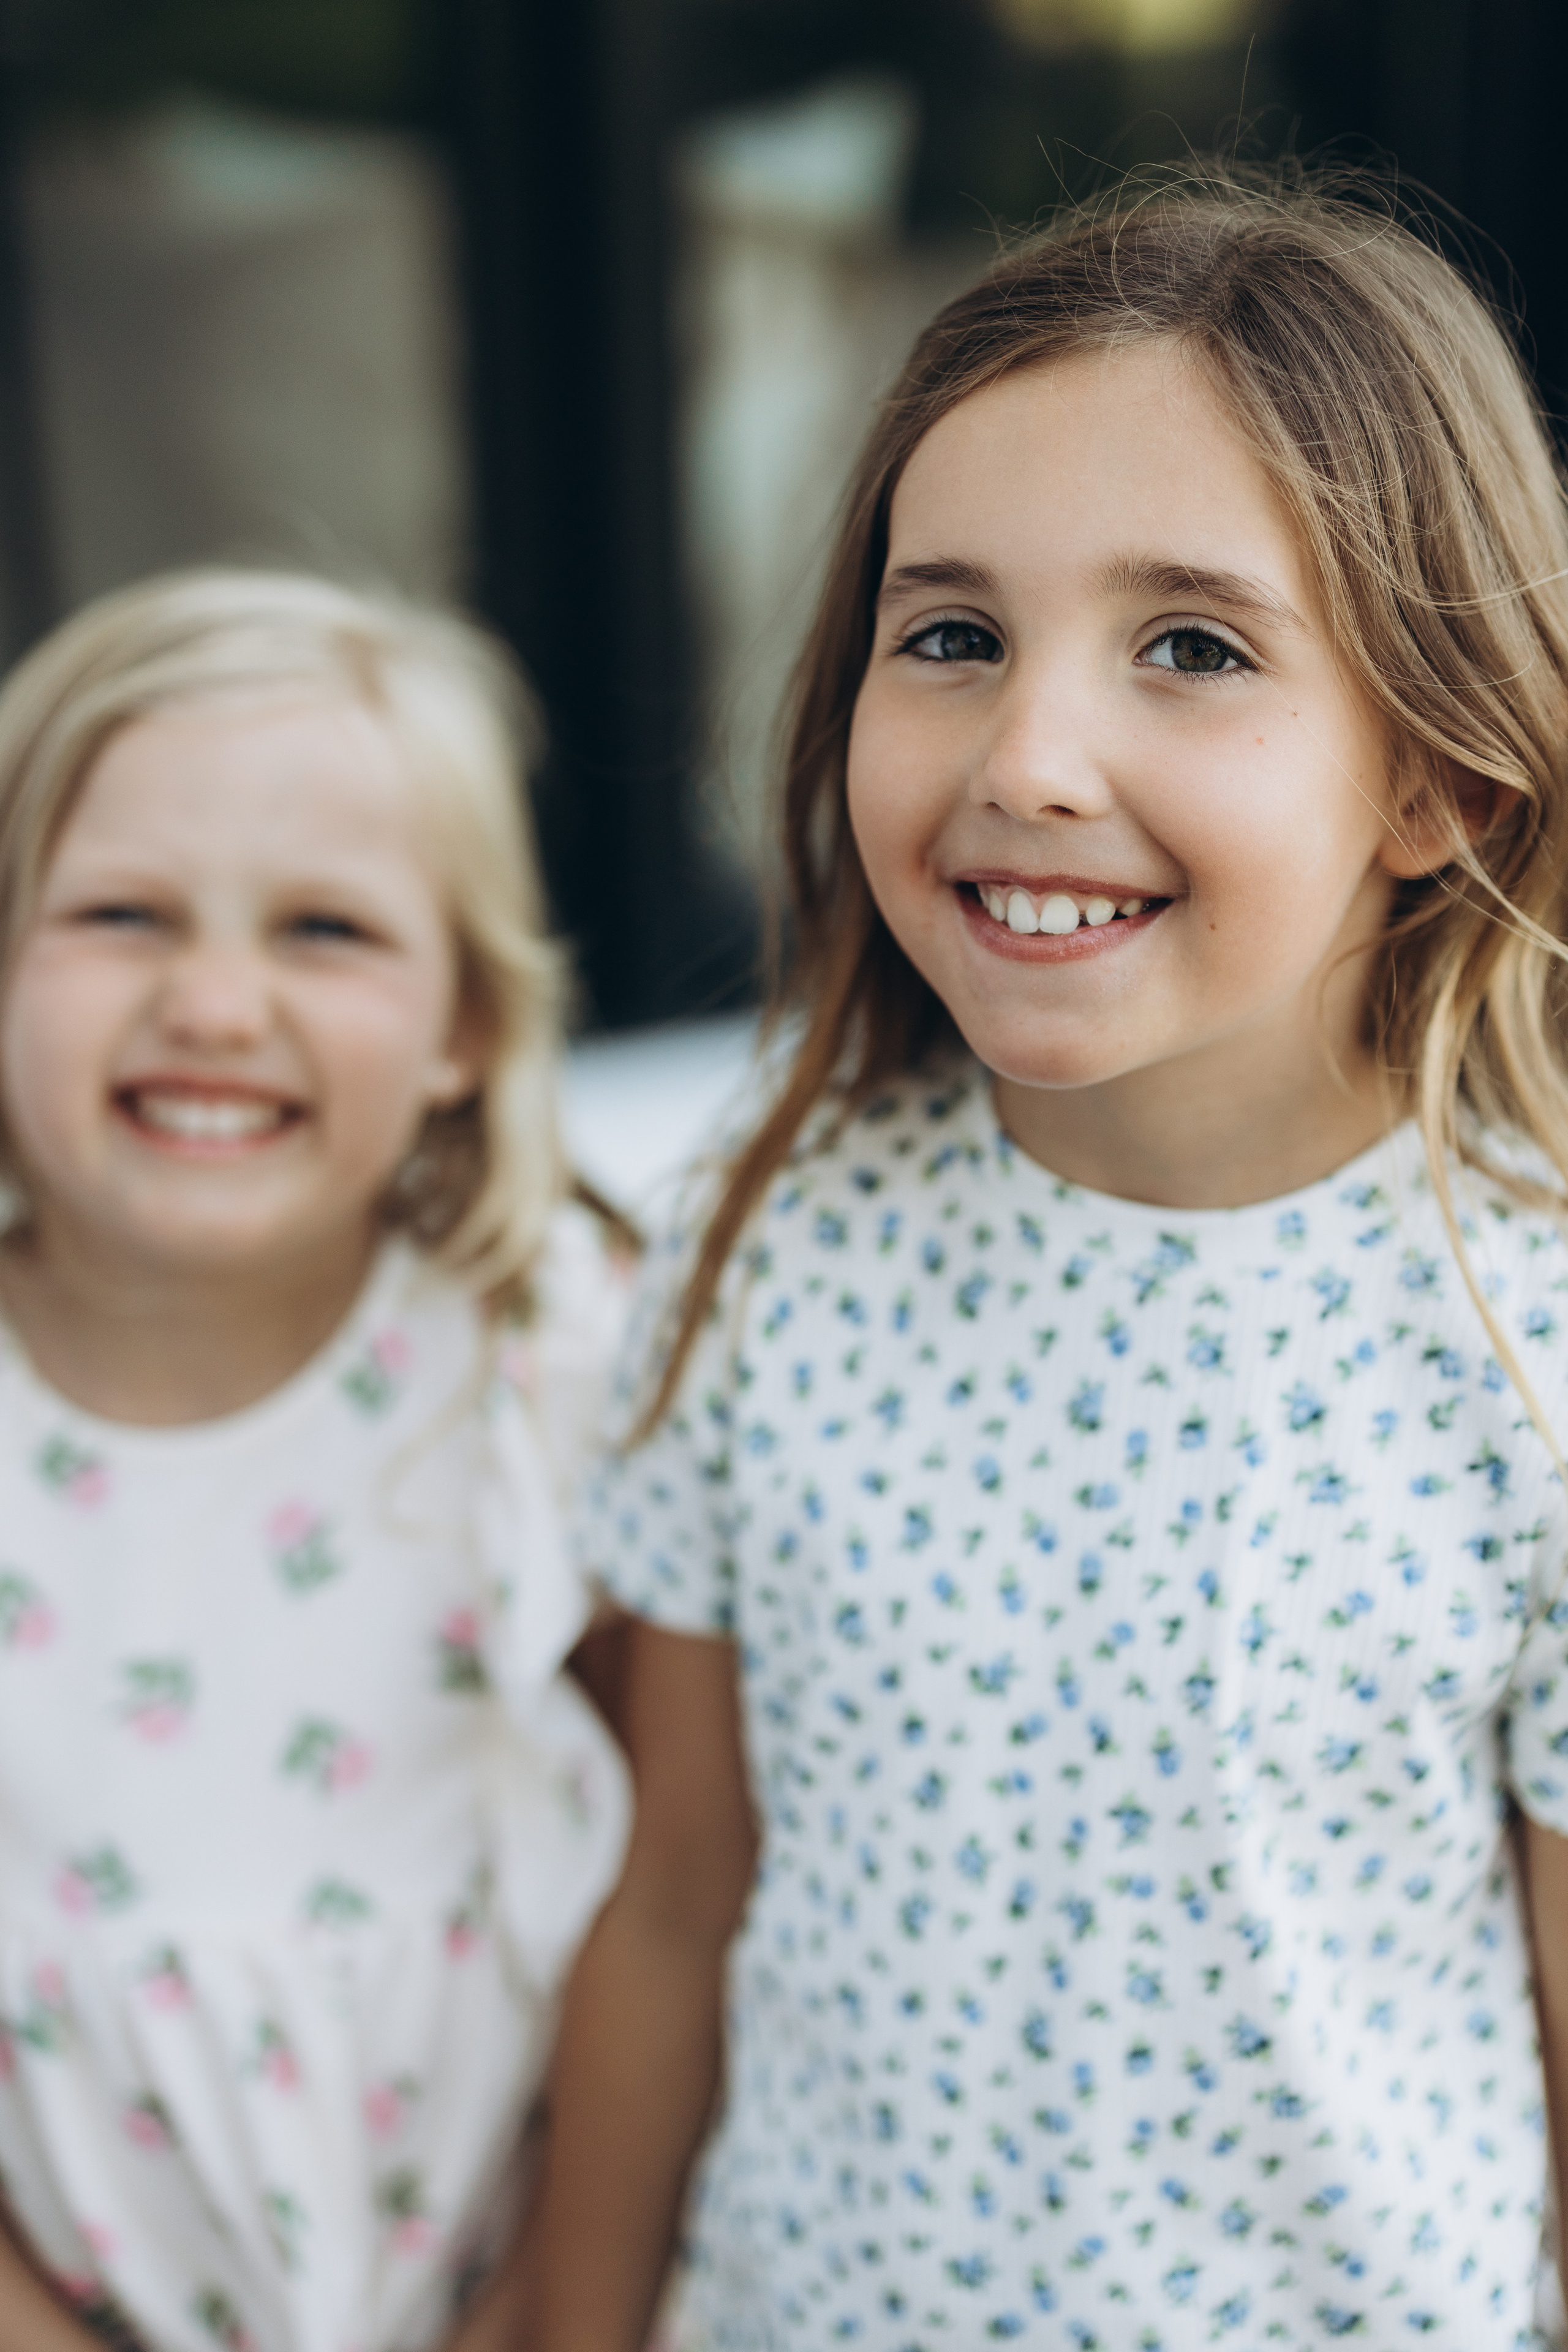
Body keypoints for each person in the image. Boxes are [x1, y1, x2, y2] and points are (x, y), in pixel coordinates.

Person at [529, 165, 1568, 2351]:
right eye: (954, 635)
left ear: (1441, 778)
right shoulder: (778, 1240)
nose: (1029, 757)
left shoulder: (1529, 1346)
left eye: (1190, 646)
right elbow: (672, 1907)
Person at [0, 570, 630, 2352]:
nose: (215, 1002)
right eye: (121, 913)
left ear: (466, 1031)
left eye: (326, 932)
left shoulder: (547, 1386)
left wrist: (559, 2310)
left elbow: (692, 1907)